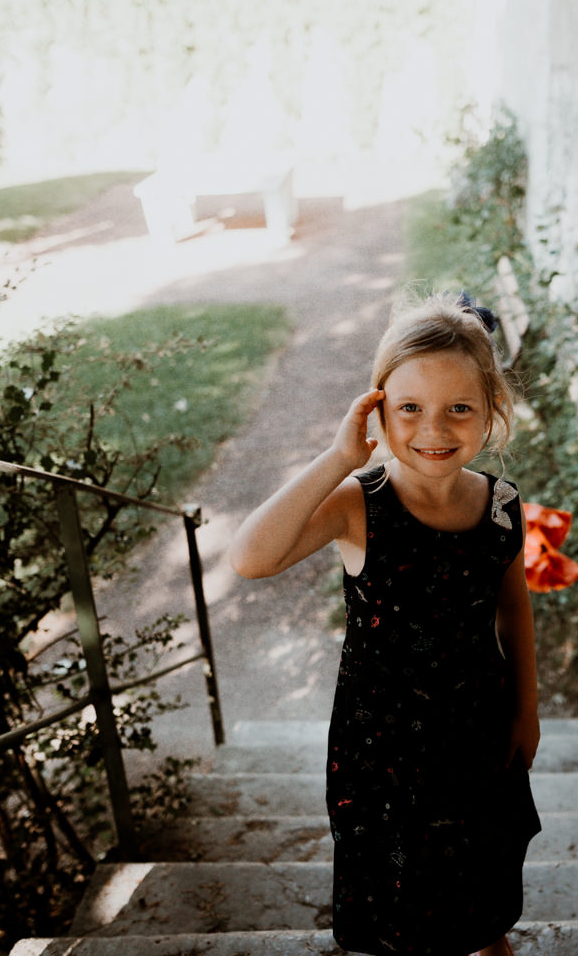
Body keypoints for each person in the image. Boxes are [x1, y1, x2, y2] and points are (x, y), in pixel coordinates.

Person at [229, 293, 542, 956]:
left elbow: (513, 606)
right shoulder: (357, 506)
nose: (436, 428)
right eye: (410, 409)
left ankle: (487, 940)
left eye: (460, 407)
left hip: (477, 728)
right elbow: (250, 557)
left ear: (492, 411)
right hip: (383, 750)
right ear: (377, 410)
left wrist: (527, 710)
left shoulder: (501, 507)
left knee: (481, 858)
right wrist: (341, 458)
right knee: (399, 888)